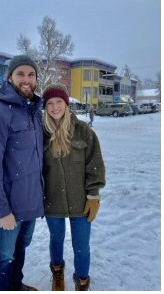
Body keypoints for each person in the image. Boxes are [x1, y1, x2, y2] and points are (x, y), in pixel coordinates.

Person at [0, 55, 44, 291]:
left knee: (21, 246)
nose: (26, 80)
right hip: (9, 205)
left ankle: (16, 285)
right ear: (10, 78)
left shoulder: (35, 111)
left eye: (31, 74)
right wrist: (2, 210)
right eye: (21, 74)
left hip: (30, 201)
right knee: (4, 254)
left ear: (37, 79)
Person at [42, 83, 106, 291]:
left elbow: (94, 164)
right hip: (52, 201)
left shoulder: (84, 132)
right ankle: (58, 273)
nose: (55, 107)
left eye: (59, 101)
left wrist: (94, 195)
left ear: (67, 104)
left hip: (81, 202)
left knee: (81, 246)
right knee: (56, 240)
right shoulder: (41, 134)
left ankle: (82, 280)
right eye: (50, 103)